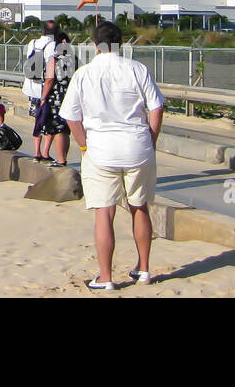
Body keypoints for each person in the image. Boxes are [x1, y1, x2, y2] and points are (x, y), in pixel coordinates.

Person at [60, 20, 165, 291]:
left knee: (104, 213)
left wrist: (83, 145)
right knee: (139, 207)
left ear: (95, 45)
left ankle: (105, 277)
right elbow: (156, 107)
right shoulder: (137, 69)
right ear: (121, 43)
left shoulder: (84, 73)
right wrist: (151, 139)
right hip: (137, 145)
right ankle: (143, 269)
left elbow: (71, 116)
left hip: (101, 148)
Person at [34, 29, 76, 167]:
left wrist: (43, 97)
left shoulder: (54, 59)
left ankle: (60, 160)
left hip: (56, 97)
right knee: (65, 129)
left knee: (58, 129)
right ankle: (64, 158)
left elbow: (49, 80)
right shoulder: (73, 59)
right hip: (69, 96)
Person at [22, 23, 57, 162]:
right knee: (49, 123)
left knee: (37, 122)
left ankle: (36, 152)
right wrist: (44, 96)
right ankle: (45, 153)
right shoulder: (52, 46)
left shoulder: (33, 42)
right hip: (44, 91)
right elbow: (50, 77)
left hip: (31, 88)